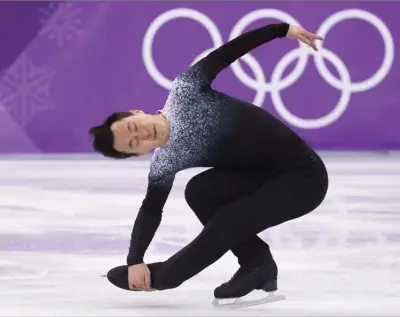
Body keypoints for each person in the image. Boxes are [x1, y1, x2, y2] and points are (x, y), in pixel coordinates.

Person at [89, 22, 328, 306]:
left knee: (230, 218)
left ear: (135, 112)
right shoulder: (165, 162)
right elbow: (151, 209)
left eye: (133, 126)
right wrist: (135, 260)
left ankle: (167, 276)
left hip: (303, 178)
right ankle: (257, 265)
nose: (141, 134)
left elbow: (229, 52)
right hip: (263, 177)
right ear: (140, 154)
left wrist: (281, 29)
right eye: (133, 143)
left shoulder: (185, 89)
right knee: (200, 190)